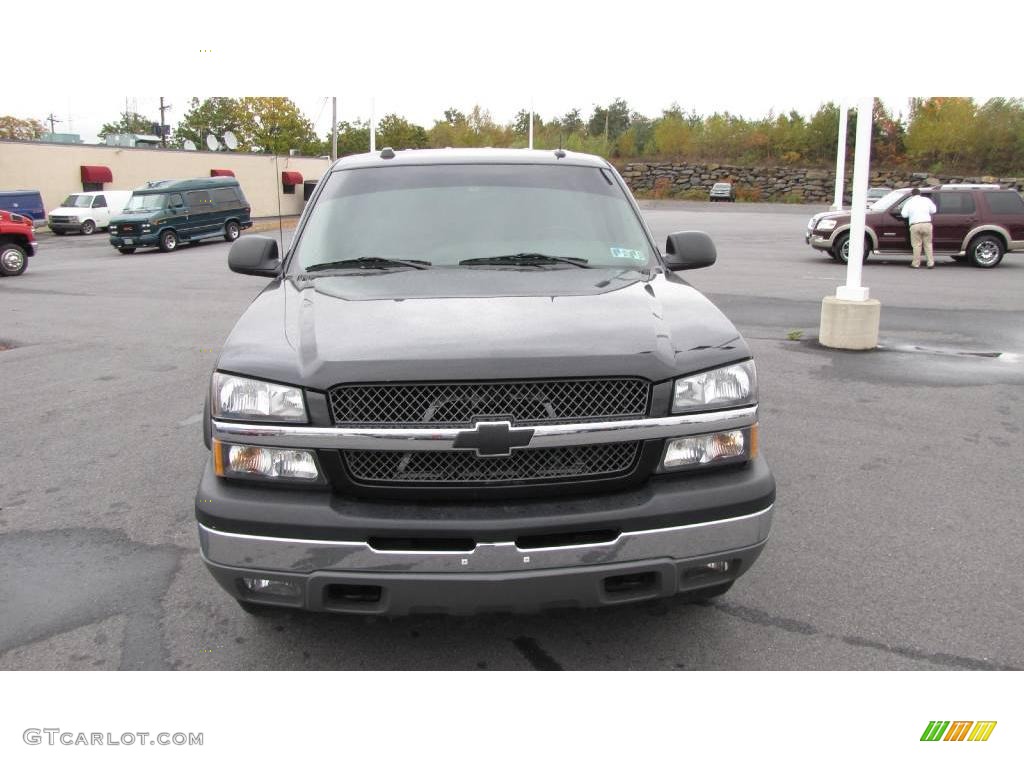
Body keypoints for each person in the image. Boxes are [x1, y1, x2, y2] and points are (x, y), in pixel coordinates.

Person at [900, 188, 938, 269]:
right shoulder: (926, 200)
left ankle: (916, 264)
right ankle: (930, 263)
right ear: (920, 193)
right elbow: (934, 210)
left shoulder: (909, 202)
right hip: (927, 223)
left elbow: (904, 215)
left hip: (915, 225)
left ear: (911, 194)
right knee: (928, 244)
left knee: (917, 245)